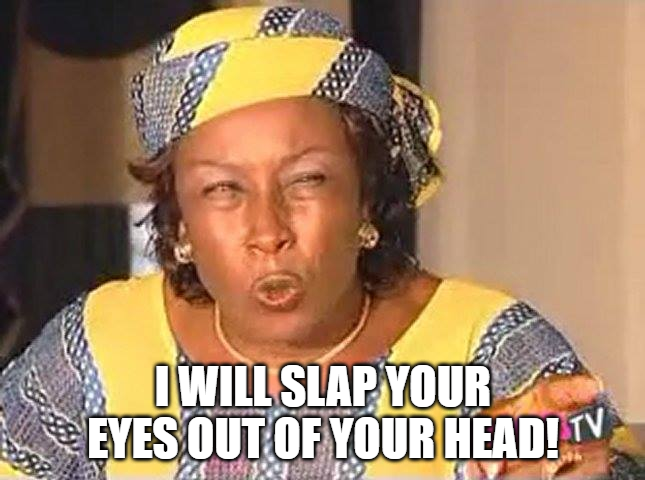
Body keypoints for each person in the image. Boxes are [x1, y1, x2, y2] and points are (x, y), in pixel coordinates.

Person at [0, 6, 642, 479]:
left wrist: (586, 461)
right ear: (181, 222)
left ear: (364, 197)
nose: (268, 231)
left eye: (306, 180)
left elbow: (598, 446)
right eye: (222, 189)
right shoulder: (97, 346)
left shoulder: (488, 344)